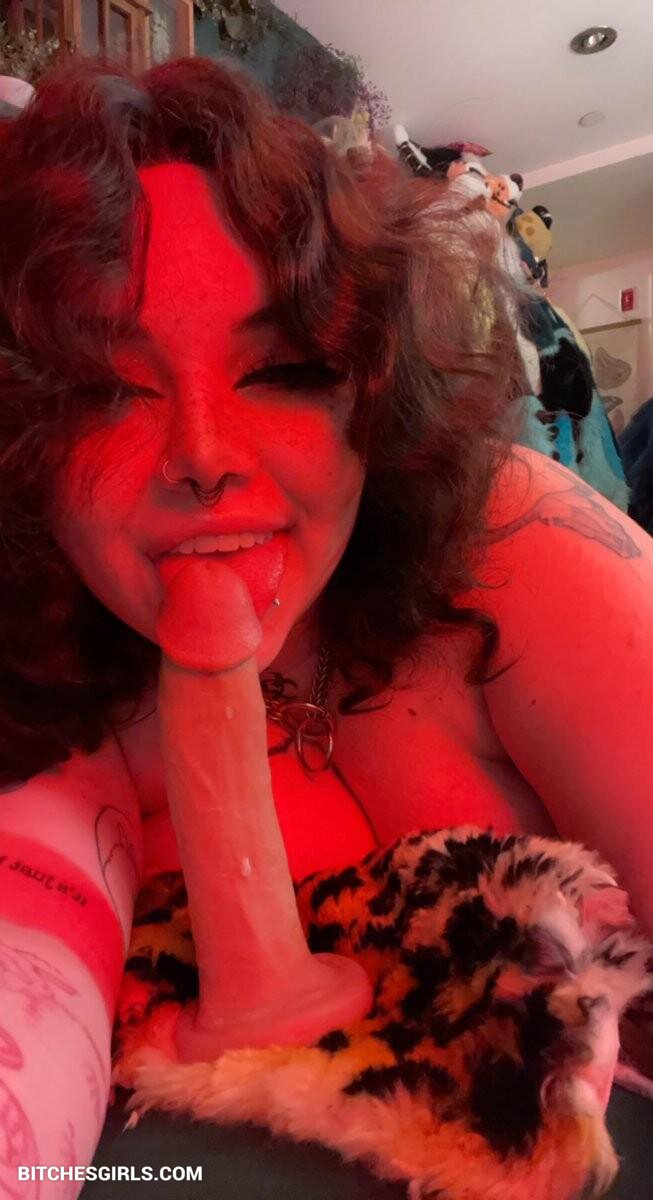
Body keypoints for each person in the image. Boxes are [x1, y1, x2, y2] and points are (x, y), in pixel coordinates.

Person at [0, 58, 652, 1195]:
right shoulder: (49, 695)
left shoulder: (512, 546)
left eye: (280, 370)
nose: (203, 457)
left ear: (370, 388)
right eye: (106, 392)